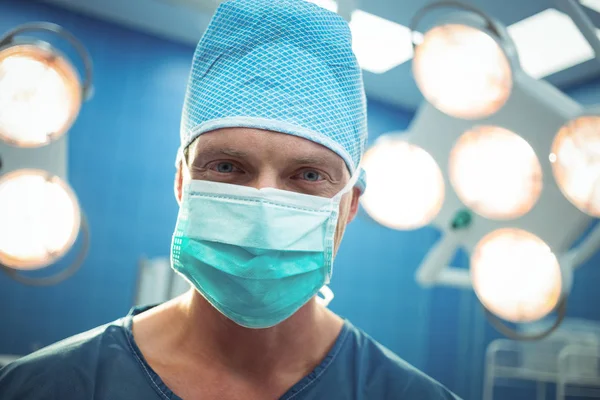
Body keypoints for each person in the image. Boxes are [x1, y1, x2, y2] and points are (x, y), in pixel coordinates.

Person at [0, 0, 462, 399]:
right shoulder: (46, 387)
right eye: (226, 167)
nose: (263, 204)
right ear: (182, 182)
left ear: (351, 204)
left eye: (308, 175)